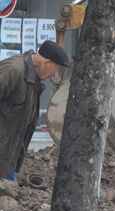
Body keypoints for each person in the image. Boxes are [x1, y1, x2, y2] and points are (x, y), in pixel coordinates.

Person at [0, 40, 70, 182]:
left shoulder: (33, 76)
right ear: (46, 63)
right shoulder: (12, 71)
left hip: (8, 156)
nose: (56, 74)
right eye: (57, 68)